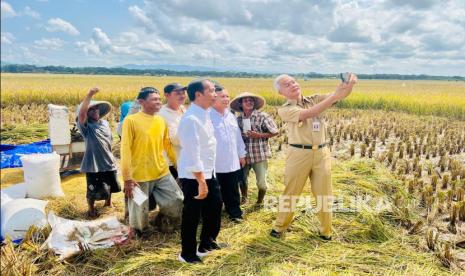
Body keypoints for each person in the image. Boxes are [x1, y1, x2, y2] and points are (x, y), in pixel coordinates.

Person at [270, 73, 357, 240]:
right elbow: (309, 113)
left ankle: (326, 231)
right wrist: (335, 95)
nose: (293, 84)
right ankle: (280, 227)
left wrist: (349, 85)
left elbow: (339, 96)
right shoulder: (285, 109)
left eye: (293, 81)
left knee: (324, 193)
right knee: (291, 192)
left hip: (322, 153)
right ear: (281, 92)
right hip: (298, 154)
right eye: (287, 84)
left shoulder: (315, 98)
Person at [121, 87, 184, 236]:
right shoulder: (131, 121)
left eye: (159, 99)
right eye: (154, 99)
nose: (158, 102)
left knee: (176, 199)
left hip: (161, 171)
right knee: (139, 209)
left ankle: (163, 221)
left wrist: (177, 165)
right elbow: (125, 150)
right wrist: (127, 178)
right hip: (139, 176)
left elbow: (167, 145)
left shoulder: (160, 120)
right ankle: (141, 232)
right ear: (142, 102)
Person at [177, 79, 222, 263]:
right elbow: (193, 153)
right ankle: (187, 253)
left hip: (209, 172)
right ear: (198, 95)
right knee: (192, 215)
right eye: (211, 91)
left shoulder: (205, 113)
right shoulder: (190, 119)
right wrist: (201, 182)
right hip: (194, 176)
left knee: (215, 207)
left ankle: (207, 243)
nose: (215, 94)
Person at [77, 87, 121, 218]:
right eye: (91, 109)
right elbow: (81, 115)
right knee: (92, 188)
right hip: (93, 163)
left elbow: (109, 141)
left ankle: (108, 202)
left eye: (96, 108)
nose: (94, 111)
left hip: (108, 160)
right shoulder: (86, 126)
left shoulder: (105, 124)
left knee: (111, 184)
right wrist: (90, 94)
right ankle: (91, 209)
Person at [230, 92, 279, 206]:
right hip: (244, 156)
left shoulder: (262, 116)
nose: (249, 102)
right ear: (241, 104)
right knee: (242, 180)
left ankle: (259, 202)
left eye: (251, 100)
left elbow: (275, 132)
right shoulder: (238, 120)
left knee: (262, 184)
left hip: (259, 155)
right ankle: (244, 198)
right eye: (245, 100)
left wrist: (259, 135)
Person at [210, 83, 246, 223]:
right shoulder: (208, 116)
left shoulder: (230, 115)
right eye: (222, 96)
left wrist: (241, 154)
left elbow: (237, 136)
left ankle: (235, 213)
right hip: (215, 162)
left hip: (231, 160)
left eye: (227, 96)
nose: (226, 99)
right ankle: (214, 215)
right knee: (216, 191)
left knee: (232, 189)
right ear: (213, 98)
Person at [159, 83, 187, 180]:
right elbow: (174, 139)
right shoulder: (161, 113)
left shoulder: (183, 109)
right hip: (171, 162)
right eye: (178, 93)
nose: (182, 95)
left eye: (183, 93)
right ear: (167, 95)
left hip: (185, 160)